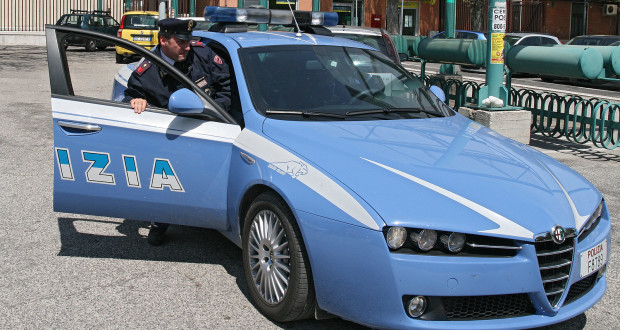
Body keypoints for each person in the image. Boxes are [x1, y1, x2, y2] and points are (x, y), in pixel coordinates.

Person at [123, 18, 232, 246]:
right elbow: (129, 95)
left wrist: (216, 114)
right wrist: (136, 100)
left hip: (209, 129)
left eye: (189, 40)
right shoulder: (147, 72)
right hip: (170, 138)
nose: (187, 46)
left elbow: (226, 86)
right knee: (164, 180)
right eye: (181, 42)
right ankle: (160, 221)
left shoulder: (203, 55)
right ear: (163, 41)